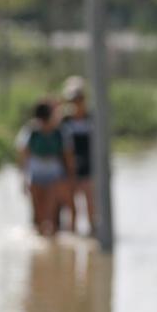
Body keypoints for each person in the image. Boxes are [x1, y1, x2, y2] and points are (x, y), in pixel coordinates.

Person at [16, 98, 72, 237]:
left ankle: (53, 243)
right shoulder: (30, 131)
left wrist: (69, 179)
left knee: (53, 214)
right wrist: (23, 180)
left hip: (55, 175)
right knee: (37, 214)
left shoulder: (61, 132)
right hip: (36, 174)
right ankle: (41, 244)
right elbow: (23, 156)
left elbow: (67, 156)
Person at [59, 76, 98, 235]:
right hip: (68, 168)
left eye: (79, 98)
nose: (76, 103)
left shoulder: (92, 118)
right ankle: (71, 236)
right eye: (72, 99)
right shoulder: (64, 120)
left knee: (90, 203)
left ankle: (93, 234)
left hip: (89, 167)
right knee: (71, 207)